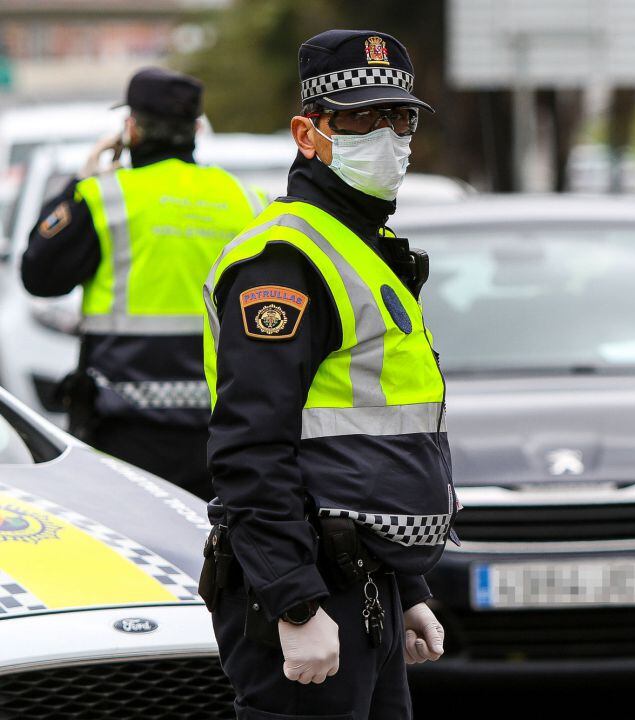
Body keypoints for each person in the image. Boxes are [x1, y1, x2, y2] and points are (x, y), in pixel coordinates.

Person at [200, 30, 454, 719]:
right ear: (308, 134)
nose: (390, 135)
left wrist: (410, 590)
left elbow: (374, 444)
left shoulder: (363, 250)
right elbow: (250, 451)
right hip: (307, 591)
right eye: (362, 119)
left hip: (365, 590)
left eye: (401, 118)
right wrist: (294, 602)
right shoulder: (285, 263)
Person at [21, 67, 264, 500]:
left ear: (130, 128)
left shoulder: (104, 197)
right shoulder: (246, 200)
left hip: (125, 434)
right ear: (195, 129)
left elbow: (38, 276)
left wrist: (80, 181)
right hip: (225, 432)